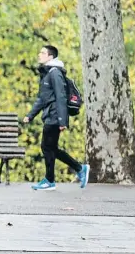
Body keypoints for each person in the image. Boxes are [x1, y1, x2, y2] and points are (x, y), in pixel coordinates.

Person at [23, 45, 90, 191]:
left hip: (55, 116)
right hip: (50, 114)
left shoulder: (55, 73)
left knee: (47, 147)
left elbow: (61, 97)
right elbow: (42, 99)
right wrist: (30, 115)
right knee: (51, 148)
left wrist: (62, 121)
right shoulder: (47, 74)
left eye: (42, 53)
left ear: (50, 56)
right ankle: (79, 168)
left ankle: (50, 180)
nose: (39, 55)